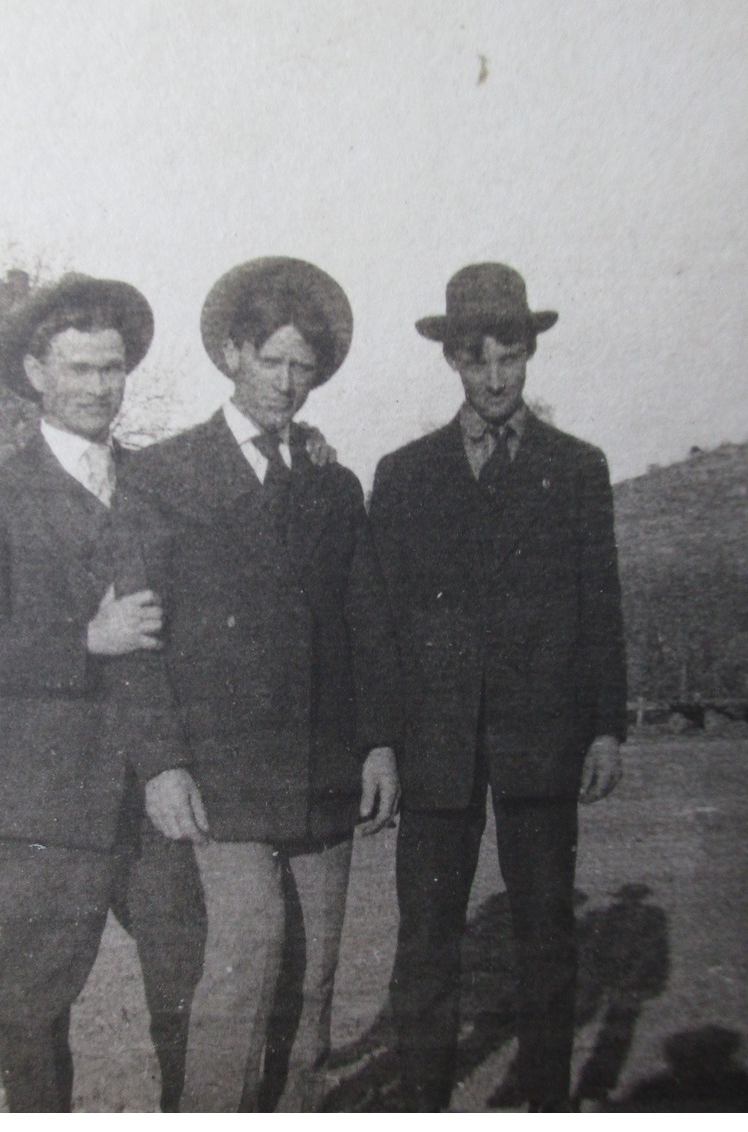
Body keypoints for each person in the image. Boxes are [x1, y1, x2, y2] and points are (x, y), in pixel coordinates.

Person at [349, 262, 628, 1111]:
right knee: (427, 941)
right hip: (434, 749)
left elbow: (599, 603)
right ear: (453, 363)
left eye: (511, 355)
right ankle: (424, 1105)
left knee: (546, 936)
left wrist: (607, 725)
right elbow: (379, 620)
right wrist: (382, 740)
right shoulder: (404, 473)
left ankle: (545, 1104)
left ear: (531, 356)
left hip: (543, 740)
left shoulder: (576, 468)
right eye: (478, 358)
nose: (496, 376)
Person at [125, 257, 399, 1111]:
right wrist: (163, 763)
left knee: (315, 979)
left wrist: (380, 740)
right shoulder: (162, 475)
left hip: (324, 769)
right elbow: (137, 638)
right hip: (221, 775)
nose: (286, 384)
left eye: (303, 369)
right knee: (243, 968)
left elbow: (367, 630)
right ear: (234, 354)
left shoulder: (332, 483)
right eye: (271, 361)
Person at [0, 274, 206, 1112]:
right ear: (36, 373)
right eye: (79, 369)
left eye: (112, 370)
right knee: (38, 1002)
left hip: (154, 794)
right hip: (41, 803)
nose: (98, 388)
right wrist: (84, 640)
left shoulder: (159, 489)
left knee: (189, 983)